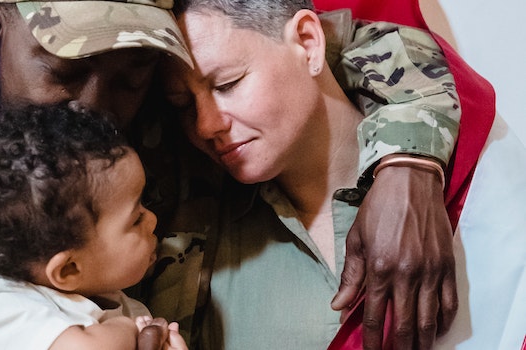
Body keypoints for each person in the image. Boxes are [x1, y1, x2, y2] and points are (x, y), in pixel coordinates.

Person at [0, 0, 484, 348]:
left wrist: (407, 159)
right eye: (66, 71)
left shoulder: (178, 122)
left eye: (136, 77)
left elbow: (357, 41)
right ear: (0, 18)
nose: (100, 112)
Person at [149, 0, 521, 348]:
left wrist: (413, 162)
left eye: (228, 84)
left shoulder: (474, 183)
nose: (205, 125)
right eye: (182, 105)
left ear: (308, 42)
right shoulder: (190, 249)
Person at [0, 103, 187, 350]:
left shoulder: (132, 309)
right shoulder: (0, 305)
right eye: (136, 218)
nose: (152, 219)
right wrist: (128, 329)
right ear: (68, 270)